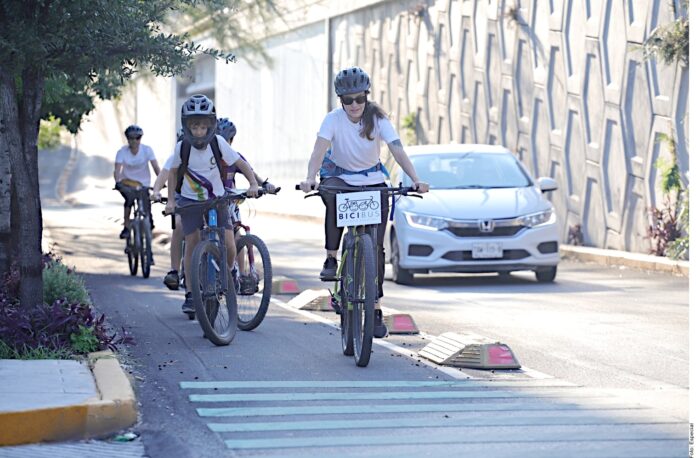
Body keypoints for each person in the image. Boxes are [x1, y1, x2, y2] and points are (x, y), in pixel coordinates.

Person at [299, 66, 429, 338]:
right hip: (340, 177)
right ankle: (331, 259)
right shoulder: (333, 120)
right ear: (341, 101)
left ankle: (376, 307)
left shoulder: (378, 118)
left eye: (359, 98)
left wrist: (415, 179)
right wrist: (310, 177)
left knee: (377, 250)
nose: (355, 105)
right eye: (348, 100)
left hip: (371, 180)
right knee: (332, 200)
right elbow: (318, 150)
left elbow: (396, 148)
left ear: (366, 97)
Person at [164, 95, 260, 315]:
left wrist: (253, 183)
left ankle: (223, 278)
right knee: (193, 242)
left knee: (229, 243)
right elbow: (172, 173)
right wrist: (171, 200)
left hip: (216, 200)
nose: (199, 131)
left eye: (203, 126)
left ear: (211, 125)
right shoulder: (182, 147)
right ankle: (190, 292)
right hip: (190, 202)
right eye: (194, 126)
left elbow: (240, 163)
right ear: (186, 126)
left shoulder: (218, 143)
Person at [114, 125, 161, 239]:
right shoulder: (122, 152)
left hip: (144, 184)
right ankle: (126, 226)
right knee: (129, 201)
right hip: (127, 183)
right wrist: (117, 182)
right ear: (127, 139)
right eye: (131, 138)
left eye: (137, 138)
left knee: (146, 202)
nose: (134, 141)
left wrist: (160, 181)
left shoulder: (147, 150)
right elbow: (117, 170)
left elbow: (155, 167)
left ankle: (148, 222)